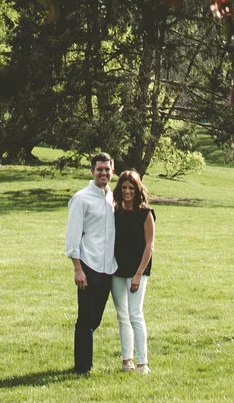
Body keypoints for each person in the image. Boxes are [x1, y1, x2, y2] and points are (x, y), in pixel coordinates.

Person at [64, 150, 119, 374]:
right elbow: (73, 237)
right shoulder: (81, 199)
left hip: (108, 268)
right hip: (88, 265)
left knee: (95, 318)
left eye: (107, 169)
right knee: (85, 318)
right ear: (92, 171)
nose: (103, 173)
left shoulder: (111, 198)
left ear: (112, 171)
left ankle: (83, 362)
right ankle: (82, 367)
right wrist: (78, 269)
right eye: (99, 169)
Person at [110, 167, 156, 374]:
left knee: (135, 314)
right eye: (124, 187)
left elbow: (149, 245)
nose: (127, 191)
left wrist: (138, 274)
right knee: (122, 315)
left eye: (131, 188)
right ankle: (126, 361)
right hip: (117, 270)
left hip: (138, 270)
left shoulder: (146, 213)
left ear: (138, 190)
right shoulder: (115, 212)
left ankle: (142, 363)